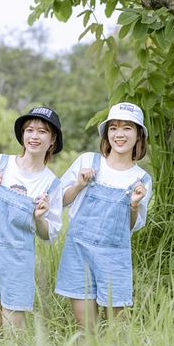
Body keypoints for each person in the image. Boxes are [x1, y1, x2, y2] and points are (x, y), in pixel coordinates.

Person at [0, 106, 63, 336]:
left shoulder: (52, 185)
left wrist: (39, 218)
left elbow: (48, 234)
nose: (34, 137)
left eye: (42, 132)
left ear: (52, 139)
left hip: (17, 259)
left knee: (14, 327)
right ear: (22, 135)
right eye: (29, 130)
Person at [55, 101, 152, 331]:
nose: (119, 134)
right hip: (79, 250)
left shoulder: (141, 179)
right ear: (107, 133)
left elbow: (129, 226)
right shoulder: (88, 162)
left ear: (138, 135)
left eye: (127, 128)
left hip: (114, 256)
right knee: (86, 326)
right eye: (114, 127)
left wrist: (134, 204)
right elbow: (60, 201)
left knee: (117, 327)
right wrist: (79, 184)